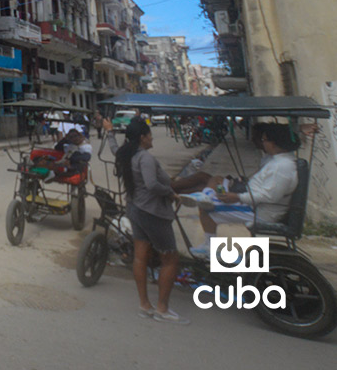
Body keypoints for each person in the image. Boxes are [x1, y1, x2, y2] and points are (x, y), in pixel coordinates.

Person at [181, 124, 299, 257]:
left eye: (265, 140)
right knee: (217, 180)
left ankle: (209, 247)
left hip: (259, 211)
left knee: (207, 209)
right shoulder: (278, 161)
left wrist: (237, 197)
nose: (263, 143)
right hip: (253, 202)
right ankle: (206, 196)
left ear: (273, 143)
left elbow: (269, 196)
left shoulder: (281, 166)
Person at [115, 117, 188, 324]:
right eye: (149, 134)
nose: (152, 137)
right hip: (151, 212)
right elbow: (152, 184)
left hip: (135, 209)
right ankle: (162, 309)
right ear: (142, 137)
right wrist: (171, 193)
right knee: (170, 258)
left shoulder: (128, 155)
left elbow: (113, 149)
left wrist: (110, 132)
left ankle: (144, 305)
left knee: (140, 256)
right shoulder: (144, 158)